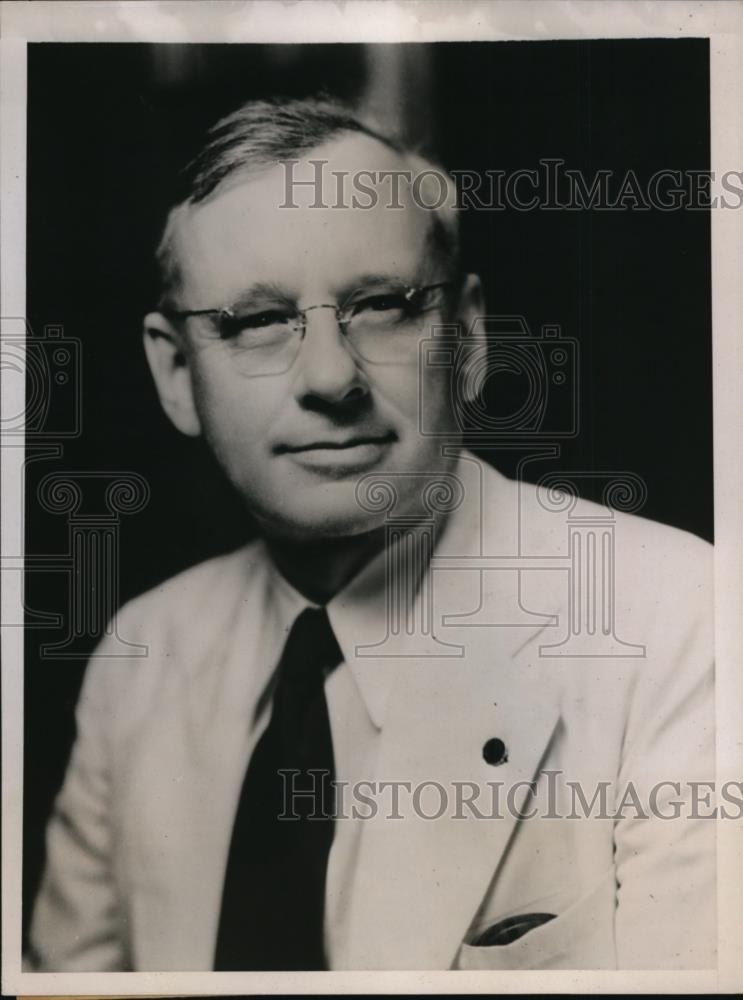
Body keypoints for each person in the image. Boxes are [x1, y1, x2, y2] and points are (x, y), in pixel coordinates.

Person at [28, 97, 715, 972]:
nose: (328, 376)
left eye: (382, 305)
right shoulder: (140, 657)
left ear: (466, 336)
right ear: (173, 372)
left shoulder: (676, 619)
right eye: (256, 321)